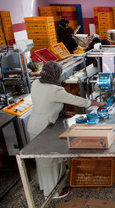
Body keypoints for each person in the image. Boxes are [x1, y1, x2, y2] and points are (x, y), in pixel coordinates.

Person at [27, 61, 107, 199]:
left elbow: (44, 103)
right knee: (50, 160)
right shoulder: (55, 89)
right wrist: (97, 103)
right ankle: (53, 192)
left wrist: (62, 113)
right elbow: (76, 100)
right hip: (44, 127)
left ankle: (45, 186)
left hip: (34, 125)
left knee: (41, 160)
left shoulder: (36, 83)